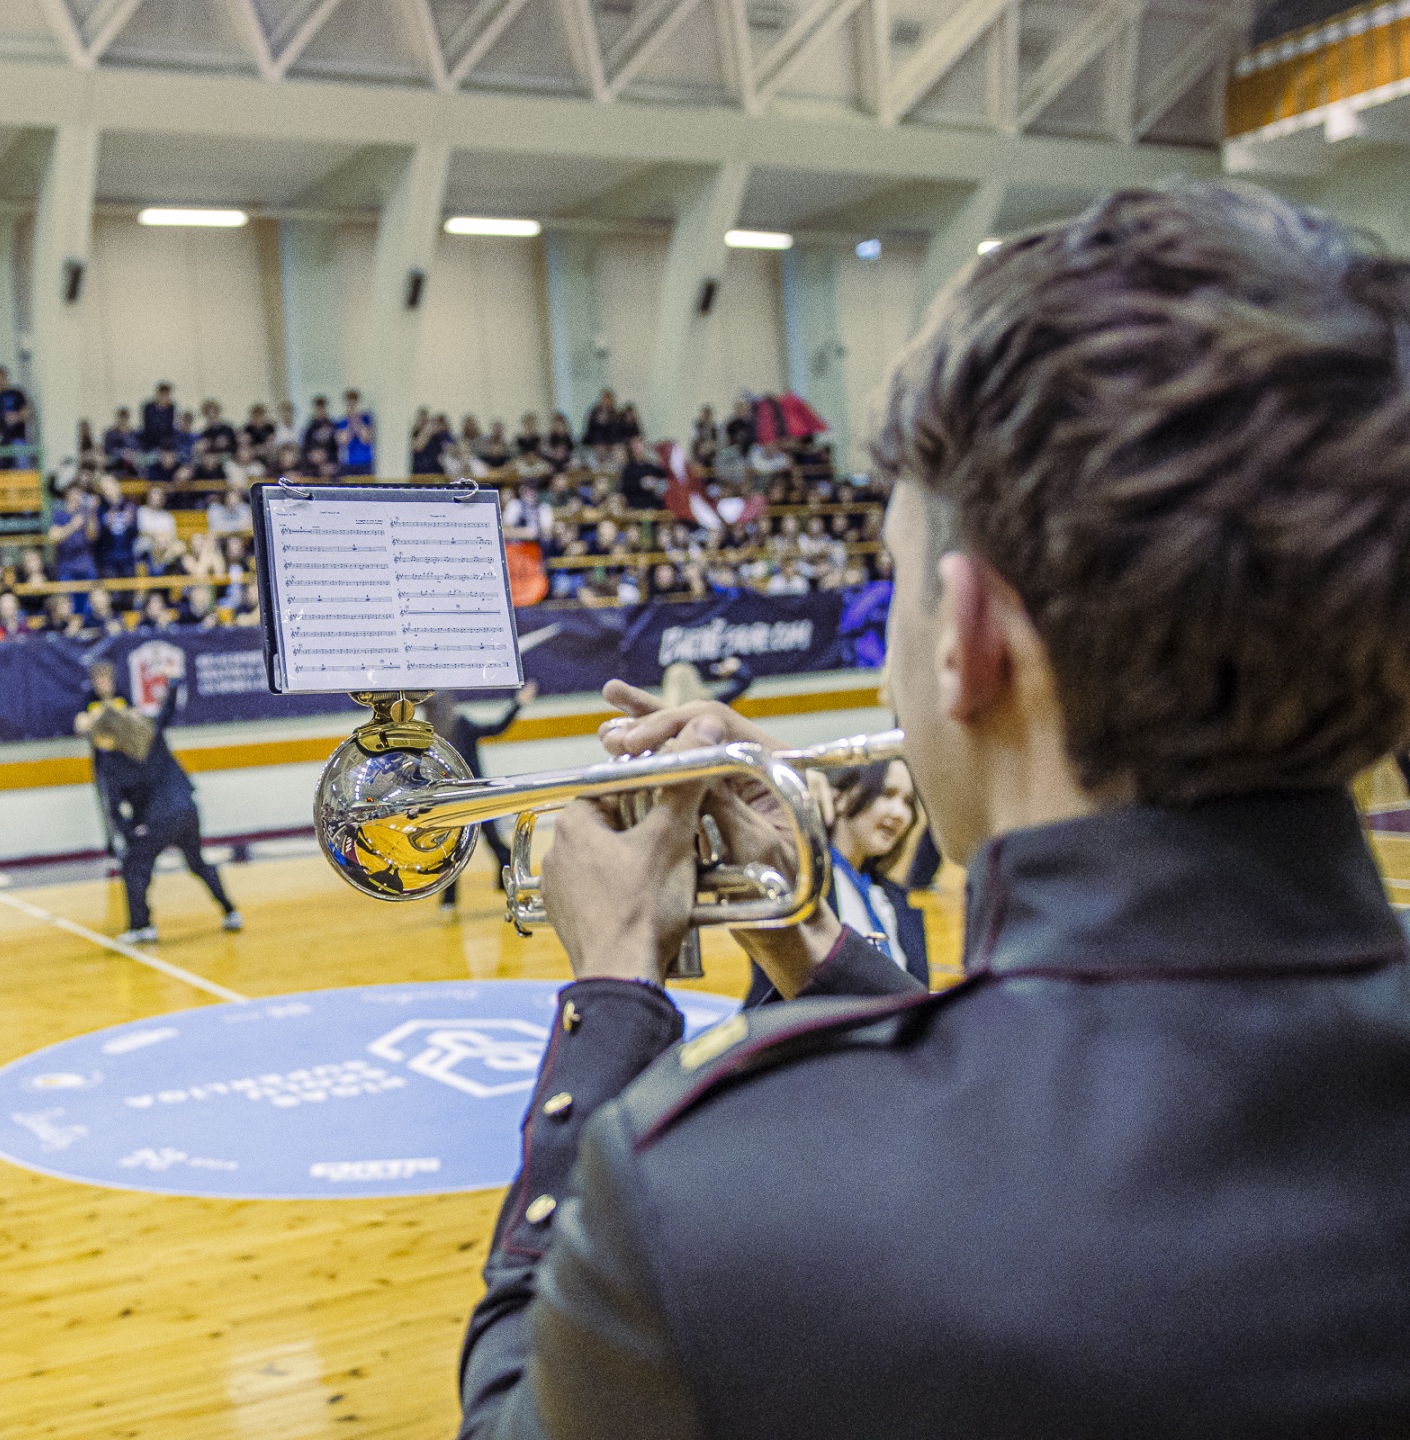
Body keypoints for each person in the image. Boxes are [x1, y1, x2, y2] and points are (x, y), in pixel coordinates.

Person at [456, 182, 1410, 1435]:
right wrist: (807, 941)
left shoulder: (711, 1201)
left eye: (901, 580)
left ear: (967, 635)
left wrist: (616, 988)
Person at [75, 662, 240, 945]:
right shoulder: (150, 731)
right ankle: (230, 911)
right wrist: (173, 682)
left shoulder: (114, 761)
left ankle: (141, 926)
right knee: (197, 862)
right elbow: (168, 710)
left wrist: (131, 833)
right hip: (187, 809)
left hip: (158, 819)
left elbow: (115, 808)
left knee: (134, 866)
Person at [741, 758, 926, 1008]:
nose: (899, 813)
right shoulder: (799, 879)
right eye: (887, 793)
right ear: (840, 798)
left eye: (908, 802)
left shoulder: (897, 899)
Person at [425, 681, 538, 912]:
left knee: (494, 843)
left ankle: (507, 885)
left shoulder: (461, 725)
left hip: (477, 796)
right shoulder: (429, 736)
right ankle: (449, 900)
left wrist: (517, 704)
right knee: (452, 850)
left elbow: (496, 728)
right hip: (452, 801)